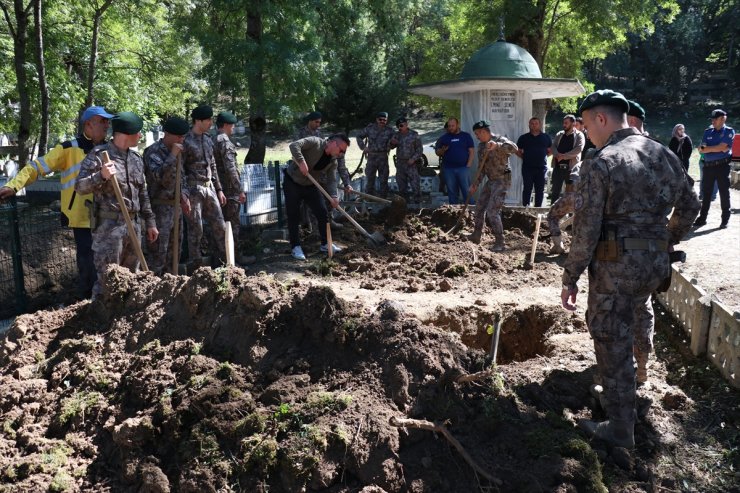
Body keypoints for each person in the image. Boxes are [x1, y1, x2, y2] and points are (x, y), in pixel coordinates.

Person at [561, 90, 699, 448]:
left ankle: (620, 431)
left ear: (601, 119)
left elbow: (586, 228)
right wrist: (668, 238)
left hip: (615, 266)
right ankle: (627, 388)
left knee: (611, 340)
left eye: (588, 125)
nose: (587, 133)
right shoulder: (664, 154)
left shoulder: (602, 160)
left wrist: (571, 275)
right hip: (655, 264)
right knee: (636, 316)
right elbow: (691, 205)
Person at [0, 106, 113, 299]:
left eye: (107, 121)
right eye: (102, 121)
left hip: (110, 216)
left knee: (110, 264)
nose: (107, 125)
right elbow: (37, 167)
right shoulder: (69, 148)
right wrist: (14, 185)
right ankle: (88, 305)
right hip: (82, 218)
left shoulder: (110, 149)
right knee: (87, 264)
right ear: (88, 124)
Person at [75, 112, 159, 298]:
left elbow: (142, 193)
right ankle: (101, 319)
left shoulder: (136, 159)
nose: (140, 136)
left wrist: (150, 222)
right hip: (109, 229)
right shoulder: (99, 156)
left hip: (133, 226)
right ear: (126, 134)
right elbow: (80, 187)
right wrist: (101, 176)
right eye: (138, 132)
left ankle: (125, 320)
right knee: (107, 279)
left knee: (132, 278)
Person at [286, 134, 349, 260]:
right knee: (294, 215)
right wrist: (301, 161)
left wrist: (334, 196)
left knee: (322, 213)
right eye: (341, 150)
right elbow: (294, 145)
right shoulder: (315, 142)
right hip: (292, 182)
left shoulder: (332, 161)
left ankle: (326, 244)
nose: (341, 154)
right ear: (333, 144)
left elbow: (331, 180)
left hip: (310, 185)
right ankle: (295, 247)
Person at [143, 116, 191, 276]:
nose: (182, 140)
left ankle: (170, 288)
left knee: (174, 254)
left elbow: (182, 177)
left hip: (175, 208)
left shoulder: (178, 152)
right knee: (158, 255)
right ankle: (153, 290)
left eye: (183, 137)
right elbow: (161, 178)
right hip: (160, 209)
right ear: (167, 134)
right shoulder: (153, 152)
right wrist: (172, 155)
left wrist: (184, 194)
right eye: (179, 136)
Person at [182, 105, 228, 267]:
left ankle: (224, 265)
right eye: (208, 120)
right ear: (198, 121)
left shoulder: (208, 139)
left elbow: (213, 166)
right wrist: (184, 193)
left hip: (210, 189)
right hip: (193, 190)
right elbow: (180, 169)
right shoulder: (186, 140)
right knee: (196, 231)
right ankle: (197, 269)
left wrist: (219, 189)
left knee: (220, 227)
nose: (210, 122)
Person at [296, 111, 351, 229]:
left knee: (329, 197)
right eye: (316, 122)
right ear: (310, 121)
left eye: (320, 122)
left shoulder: (320, 135)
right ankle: (309, 225)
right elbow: (297, 149)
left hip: (320, 173)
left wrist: (346, 183)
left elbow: (334, 162)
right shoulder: (300, 133)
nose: (318, 124)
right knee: (307, 201)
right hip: (305, 170)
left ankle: (328, 222)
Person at [467, 121, 517, 251]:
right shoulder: (481, 147)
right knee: (479, 207)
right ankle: (476, 235)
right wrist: (476, 184)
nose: (477, 136)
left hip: (502, 180)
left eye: (478, 134)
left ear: (484, 131)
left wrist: (498, 146)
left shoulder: (500, 140)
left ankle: (500, 242)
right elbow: (481, 168)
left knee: (492, 211)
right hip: (491, 181)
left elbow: (514, 148)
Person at [694, 109, 734, 229]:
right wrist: (712, 148)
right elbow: (701, 148)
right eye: (712, 119)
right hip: (708, 167)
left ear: (723, 119)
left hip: (722, 166)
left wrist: (708, 149)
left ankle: (725, 220)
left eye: (715, 119)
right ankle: (702, 218)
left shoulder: (729, 131)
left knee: (724, 192)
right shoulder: (708, 131)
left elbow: (722, 147)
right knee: (706, 194)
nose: (713, 121)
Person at [213, 111, 247, 245]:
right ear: (226, 125)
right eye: (232, 125)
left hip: (218, 187)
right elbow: (231, 169)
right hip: (229, 189)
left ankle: (221, 257)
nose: (233, 128)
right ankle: (235, 258)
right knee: (233, 224)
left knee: (220, 224)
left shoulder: (213, 140)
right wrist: (239, 190)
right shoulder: (225, 142)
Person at [435, 117, 475, 204]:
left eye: (453, 126)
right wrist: (442, 150)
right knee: (452, 191)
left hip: (463, 168)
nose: (451, 128)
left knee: (467, 191)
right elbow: (437, 152)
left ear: (458, 125)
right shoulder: (444, 138)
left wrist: (468, 165)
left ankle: (472, 210)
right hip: (449, 169)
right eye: (449, 126)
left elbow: (471, 151)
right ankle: (454, 211)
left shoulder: (466, 136)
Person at [515, 117, 552, 207]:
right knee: (527, 188)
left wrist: (542, 157)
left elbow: (550, 151)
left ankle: (537, 210)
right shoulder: (523, 138)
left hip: (541, 168)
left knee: (540, 190)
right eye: (532, 123)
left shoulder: (546, 137)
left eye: (536, 123)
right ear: (529, 125)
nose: (534, 125)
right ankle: (525, 209)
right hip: (527, 168)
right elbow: (517, 151)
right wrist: (525, 157)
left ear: (539, 125)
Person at [356, 112, 395, 197]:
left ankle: (383, 201)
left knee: (384, 180)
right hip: (372, 157)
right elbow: (359, 136)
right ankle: (369, 200)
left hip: (383, 157)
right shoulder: (370, 129)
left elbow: (394, 143)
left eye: (384, 120)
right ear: (377, 119)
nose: (382, 121)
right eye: (380, 119)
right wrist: (363, 147)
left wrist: (392, 144)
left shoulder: (390, 130)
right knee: (370, 179)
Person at [550, 114, 584, 203]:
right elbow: (553, 147)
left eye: (566, 123)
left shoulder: (579, 135)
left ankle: (571, 215)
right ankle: (552, 214)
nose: (564, 125)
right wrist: (557, 155)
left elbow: (579, 149)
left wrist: (563, 156)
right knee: (555, 192)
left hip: (571, 169)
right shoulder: (559, 134)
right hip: (558, 168)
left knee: (571, 193)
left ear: (573, 123)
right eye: (563, 123)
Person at [389, 117, 423, 203]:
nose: (400, 128)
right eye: (398, 126)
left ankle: (417, 203)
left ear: (406, 124)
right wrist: (392, 143)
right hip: (400, 163)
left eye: (401, 125)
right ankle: (404, 204)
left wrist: (413, 159)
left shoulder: (414, 134)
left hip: (411, 163)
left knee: (415, 184)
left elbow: (419, 149)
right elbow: (391, 146)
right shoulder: (397, 135)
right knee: (401, 185)